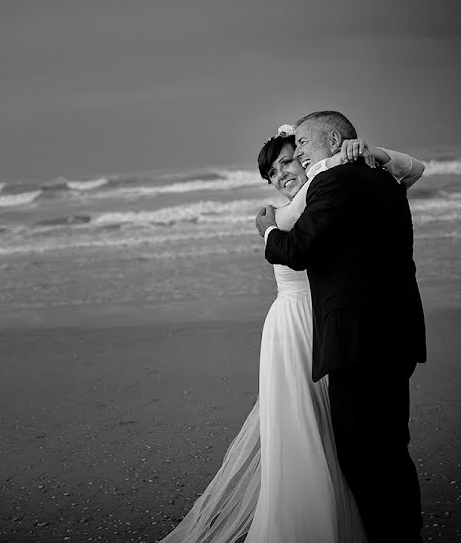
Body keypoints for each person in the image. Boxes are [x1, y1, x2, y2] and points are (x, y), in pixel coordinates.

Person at [158, 122, 424, 543]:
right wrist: (363, 155)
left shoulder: (319, 187)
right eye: (273, 172)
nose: (284, 173)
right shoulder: (310, 196)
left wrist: (362, 153)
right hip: (305, 328)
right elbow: (404, 172)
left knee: (348, 440)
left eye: (292, 159)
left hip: (322, 326)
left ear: (311, 158)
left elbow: (306, 223)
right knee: (332, 436)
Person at [258, 111, 427, 543]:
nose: (300, 159)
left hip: (357, 341)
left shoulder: (331, 181)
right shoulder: (385, 179)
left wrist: (265, 231)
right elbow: (413, 169)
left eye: (303, 150)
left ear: (333, 140)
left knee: (361, 455)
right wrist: (378, 153)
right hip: (398, 332)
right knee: (391, 448)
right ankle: (406, 533)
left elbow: (298, 248)